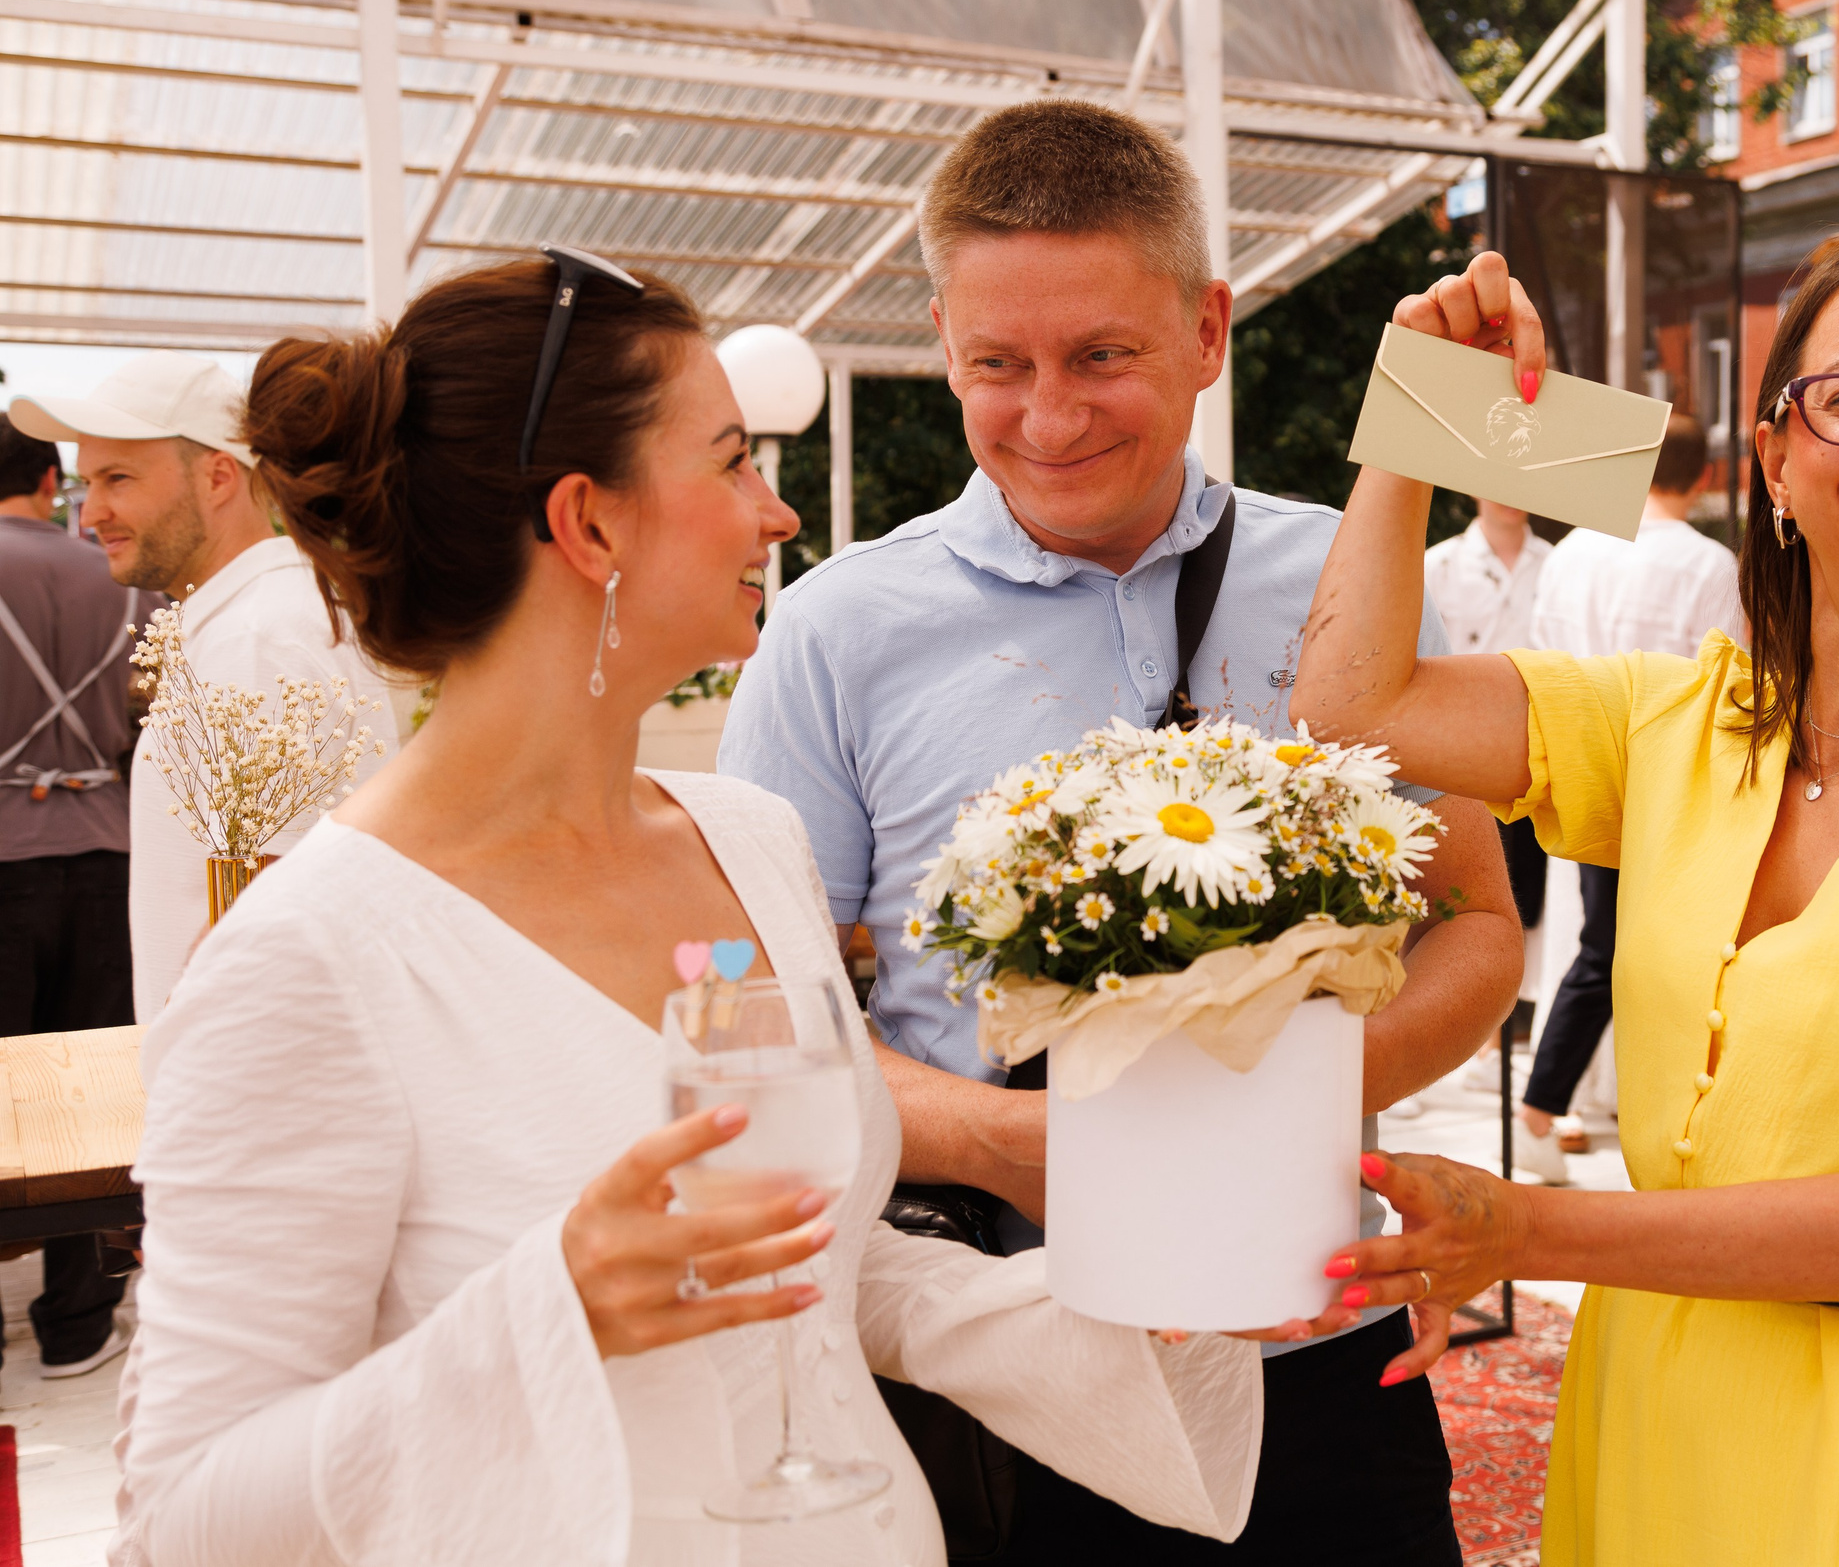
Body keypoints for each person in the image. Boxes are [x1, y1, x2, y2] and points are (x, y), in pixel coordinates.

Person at [116, 256, 1291, 1567]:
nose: (776, 516)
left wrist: (1139, 1304)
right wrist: (547, 1311)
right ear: (592, 524)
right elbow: (180, 1516)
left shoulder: (749, 841)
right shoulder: (307, 958)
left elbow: (819, 1260)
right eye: (733, 461)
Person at [1292, 234, 1839, 1566]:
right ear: (1775, 457)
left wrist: (1525, 1222)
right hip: (1653, 1390)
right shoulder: (1686, 716)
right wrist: (1422, 411)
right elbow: (1355, 706)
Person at [720, 99, 1521, 1567]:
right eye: (995, 365)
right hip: (1003, 1366)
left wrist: (1292, 1104)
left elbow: (1476, 917)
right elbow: (769, 1010)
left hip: (1320, 1348)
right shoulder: (835, 629)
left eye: (1103, 355)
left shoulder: (1350, 582)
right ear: (943, 345)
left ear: (1209, 328)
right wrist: (1033, 1145)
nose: (1050, 413)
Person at [8, 354, 397, 1022]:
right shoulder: (255, 622)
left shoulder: (257, 642)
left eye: (118, 478)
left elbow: (275, 934)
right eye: (87, 480)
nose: (91, 511)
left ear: (219, 476)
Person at [1514, 414, 1743, 1182]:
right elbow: (1727, 686)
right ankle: (1547, 1105)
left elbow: (1537, 661)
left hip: (1576, 767)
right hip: (1672, 780)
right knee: (1632, 951)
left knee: (1603, 945)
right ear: (1706, 476)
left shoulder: (1573, 552)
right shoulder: (1711, 565)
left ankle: (1562, 1105)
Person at [0, 416, 161, 1379]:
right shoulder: (121, 577)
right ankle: (78, 1322)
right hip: (108, 841)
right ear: (53, 476)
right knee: (92, 1090)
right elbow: (151, 706)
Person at [1420, 499, 1550, 1102]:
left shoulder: (1555, 563)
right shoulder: (1438, 565)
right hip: (1451, 756)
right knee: (1451, 897)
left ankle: (1500, 1040)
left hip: (1536, 755)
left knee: (1524, 899)